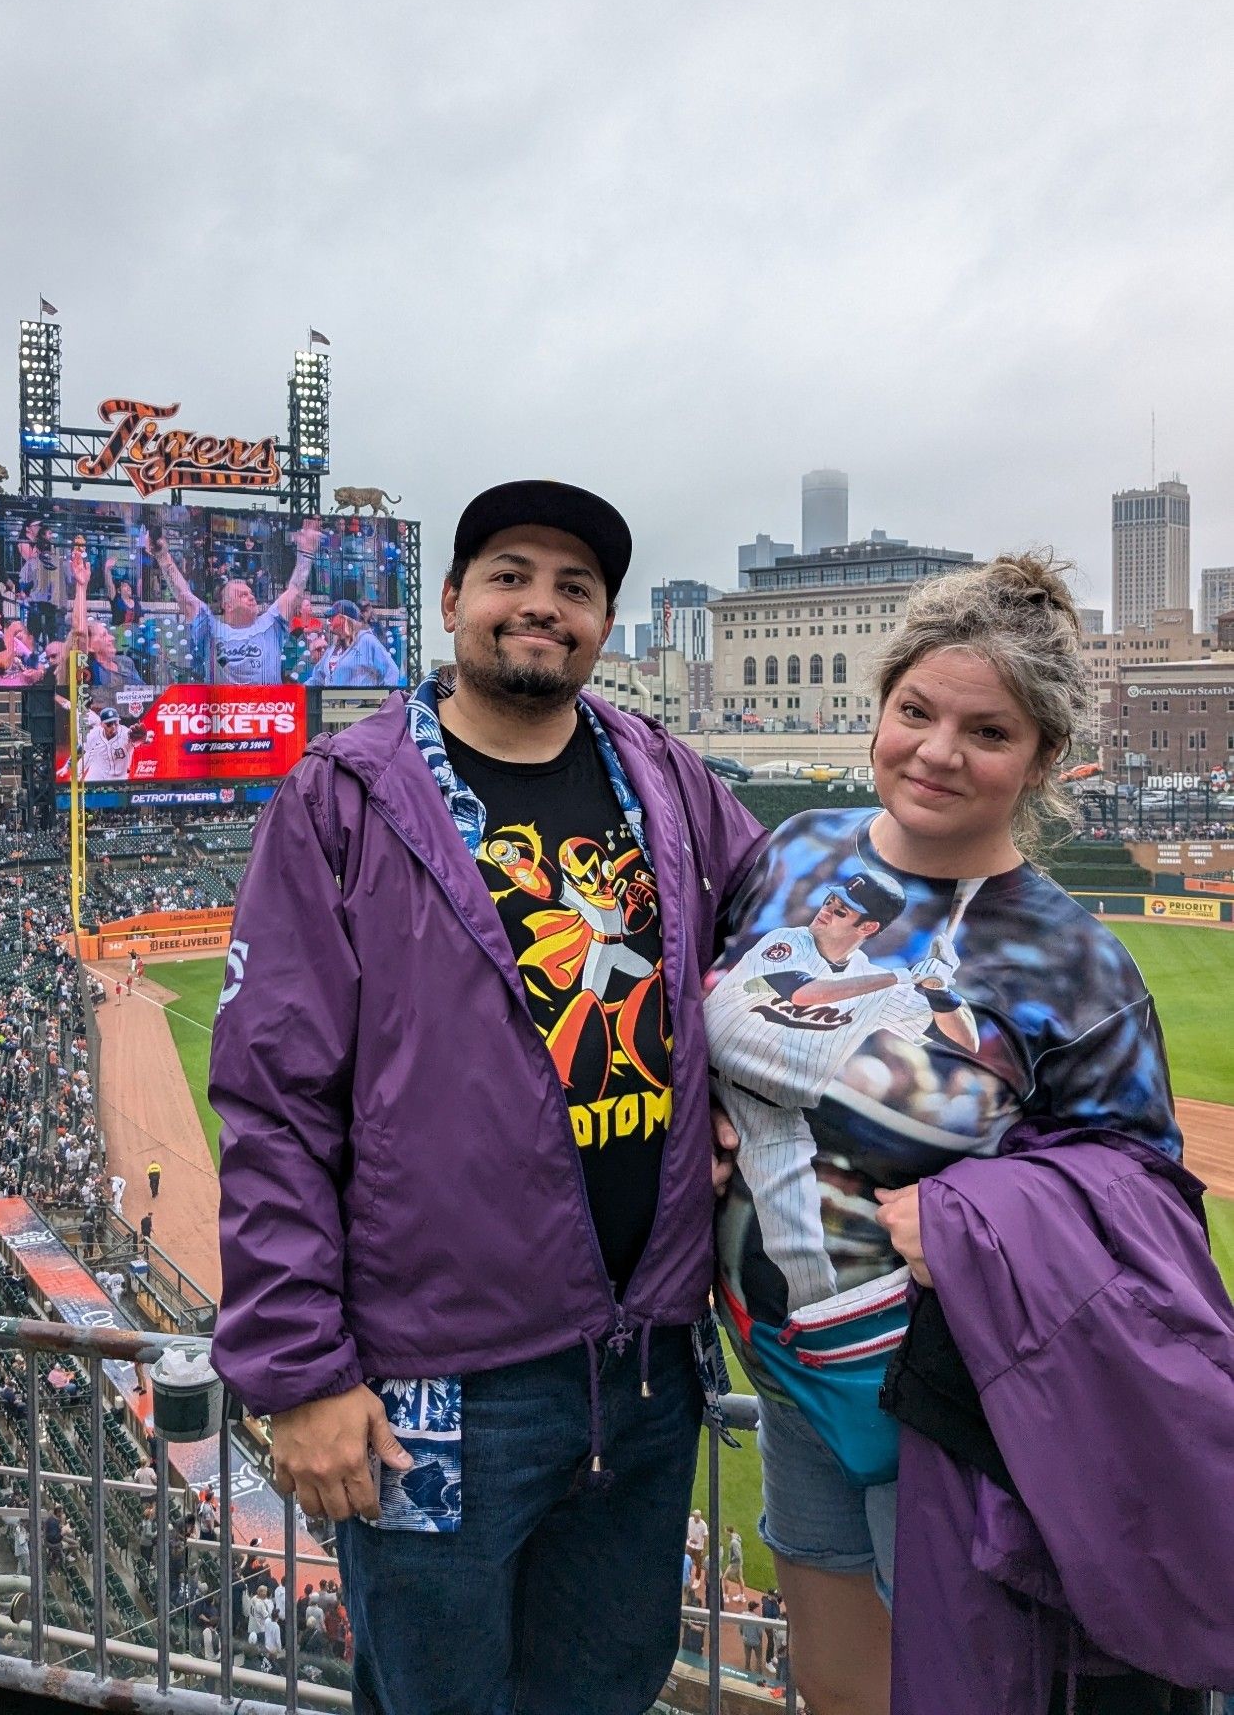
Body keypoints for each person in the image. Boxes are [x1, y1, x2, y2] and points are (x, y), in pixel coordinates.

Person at [209, 479, 764, 1715]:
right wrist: (298, 1371)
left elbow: (781, 935)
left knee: (604, 1693)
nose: (542, 606)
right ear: (453, 600)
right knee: (437, 1700)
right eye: (511, 574)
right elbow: (274, 1097)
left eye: (576, 588)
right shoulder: (344, 795)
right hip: (438, 1383)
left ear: (605, 625)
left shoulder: (666, 779)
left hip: (646, 1369)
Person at [706, 553, 1184, 1715]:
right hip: (779, 1364)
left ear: (1043, 759)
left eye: (988, 730)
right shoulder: (794, 850)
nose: (935, 751)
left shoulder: (1073, 957)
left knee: (956, 1687)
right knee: (838, 1688)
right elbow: (712, 1005)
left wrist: (978, 1212)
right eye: (915, 711)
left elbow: (1148, 1201)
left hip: (943, 1397)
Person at [142, 517, 322, 686]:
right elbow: (183, 594)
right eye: (242, 595)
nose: (251, 597)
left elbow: (296, 590)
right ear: (227, 605)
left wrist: (306, 554)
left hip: (267, 713)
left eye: (250, 593)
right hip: (224, 716)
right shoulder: (211, 628)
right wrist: (163, 558)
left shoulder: (271, 623)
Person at [307, 600, 401, 688]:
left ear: (345, 619)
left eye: (333, 616)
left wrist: (384, 699)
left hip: (361, 704)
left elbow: (391, 671)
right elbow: (317, 679)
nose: (329, 620)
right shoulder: (333, 648)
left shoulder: (367, 641)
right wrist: (296, 691)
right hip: (332, 704)